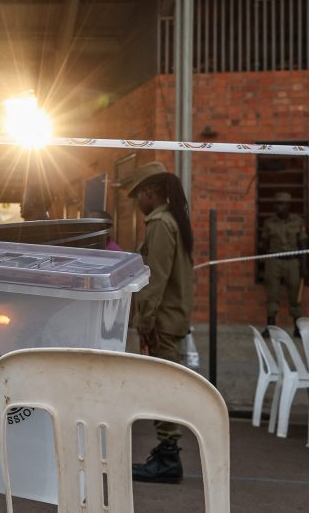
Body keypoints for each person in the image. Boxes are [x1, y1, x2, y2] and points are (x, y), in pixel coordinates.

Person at [121, 162, 194, 484]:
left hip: (162, 320)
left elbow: (156, 277)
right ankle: (166, 455)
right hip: (168, 319)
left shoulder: (161, 224)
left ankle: (168, 459)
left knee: (162, 388)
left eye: (138, 196)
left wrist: (145, 320)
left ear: (149, 193)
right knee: (161, 385)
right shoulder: (171, 220)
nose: (138, 203)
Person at [259, 191, 308, 338]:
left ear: (288, 205)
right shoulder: (269, 223)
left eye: (283, 204)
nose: (279, 207)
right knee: (272, 294)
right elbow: (264, 244)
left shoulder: (298, 221)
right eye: (277, 204)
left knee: (295, 295)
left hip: (292, 261)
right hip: (274, 260)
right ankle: (271, 326)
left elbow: (303, 244)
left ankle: (297, 327)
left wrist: (304, 266)